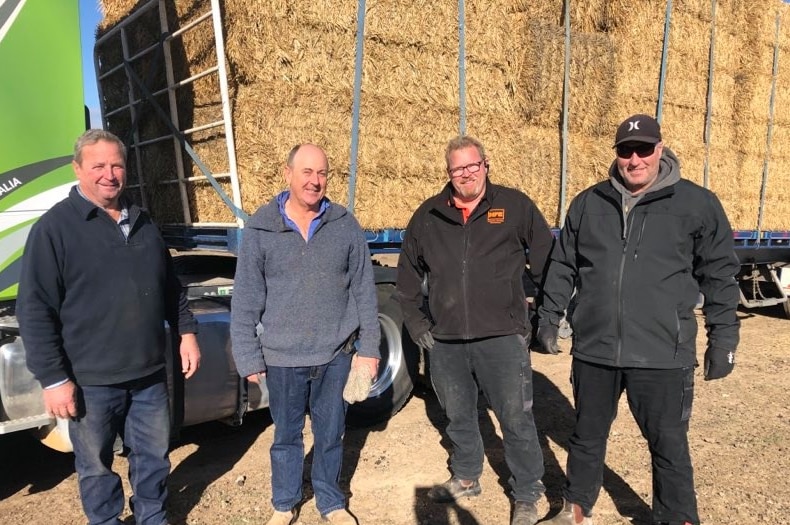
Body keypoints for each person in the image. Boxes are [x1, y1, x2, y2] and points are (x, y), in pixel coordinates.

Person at [537, 114, 740, 525]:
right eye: (626, 151)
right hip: (596, 349)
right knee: (587, 437)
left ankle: (677, 517)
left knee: (667, 443)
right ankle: (575, 509)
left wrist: (724, 339)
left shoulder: (696, 204)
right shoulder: (589, 202)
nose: (634, 159)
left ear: (660, 150)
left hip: (663, 351)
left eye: (643, 149)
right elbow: (563, 265)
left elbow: (719, 275)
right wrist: (548, 316)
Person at [17, 129, 201, 525]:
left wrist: (187, 332)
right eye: (98, 165)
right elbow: (34, 309)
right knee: (97, 466)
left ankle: (152, 517)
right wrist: (53, 379)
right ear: (77, 169)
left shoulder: (144, 221)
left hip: (149, 374)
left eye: (116, 164)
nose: (109, 174)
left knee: (152, 458)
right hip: (90, 380)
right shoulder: (55, 228)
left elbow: (170, 286)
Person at [396, 135, 554, 525]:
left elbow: (549, 264)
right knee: (459, 415)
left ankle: (528, 493)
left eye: (472, 166)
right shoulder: (429, 215)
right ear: (448, 173)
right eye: (457, 169)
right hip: (446, 341)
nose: (466, 174)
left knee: (515, 418)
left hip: (501, 336)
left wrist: (538, 320)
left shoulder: (514, 206)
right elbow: (406, 277)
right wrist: (417, 324)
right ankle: (466, 477)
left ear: (486, 165)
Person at [230, 143, 381, 525]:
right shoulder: (262, 227)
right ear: (288, 174)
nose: (315, 181)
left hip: (335, 355)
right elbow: (246, 296)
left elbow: (365, 290)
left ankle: (330, 501)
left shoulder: (344, 225)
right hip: (282, 358)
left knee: (331, 433)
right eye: (307, 172)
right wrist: (247, 354)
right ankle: (284, 502)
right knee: (286, 436)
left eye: (322, 174)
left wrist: (370, 349)